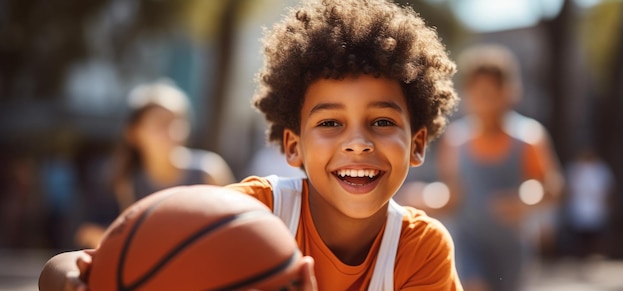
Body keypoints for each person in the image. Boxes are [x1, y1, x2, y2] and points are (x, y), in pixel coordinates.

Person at [39, 0, 462, 289]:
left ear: (417, 144)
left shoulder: (420, 249)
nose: (357, 142)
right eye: (330, 122)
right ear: (293, 146)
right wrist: (82, 280)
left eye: (382, 121)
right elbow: (58, 270)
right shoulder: (252, 212)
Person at [436, 44, 563, 291]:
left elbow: (553, 187)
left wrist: (525, 200)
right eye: (478, 93)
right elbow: (453, 196)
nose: (484, 101)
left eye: (491, 92)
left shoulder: (528, 137)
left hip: (512, 248)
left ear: (509, 92)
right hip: (469, 243)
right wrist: (426, 198)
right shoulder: (455, 140)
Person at [74, 79, 236, 248]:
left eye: (177, 121)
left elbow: (238, 226)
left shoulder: (209, 171)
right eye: (160, 122)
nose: (171, 130)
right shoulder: (122, 183)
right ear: (134, 132)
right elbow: (87, 233)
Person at [563, 148, 613, 260]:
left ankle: (594, 256)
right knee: (579, 236)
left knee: (595, 234)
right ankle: (580, 257)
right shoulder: (574, 168)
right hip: (578, 208)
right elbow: (569, 189)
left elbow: (607, 190)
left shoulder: (601, 169)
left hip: (596, 208)